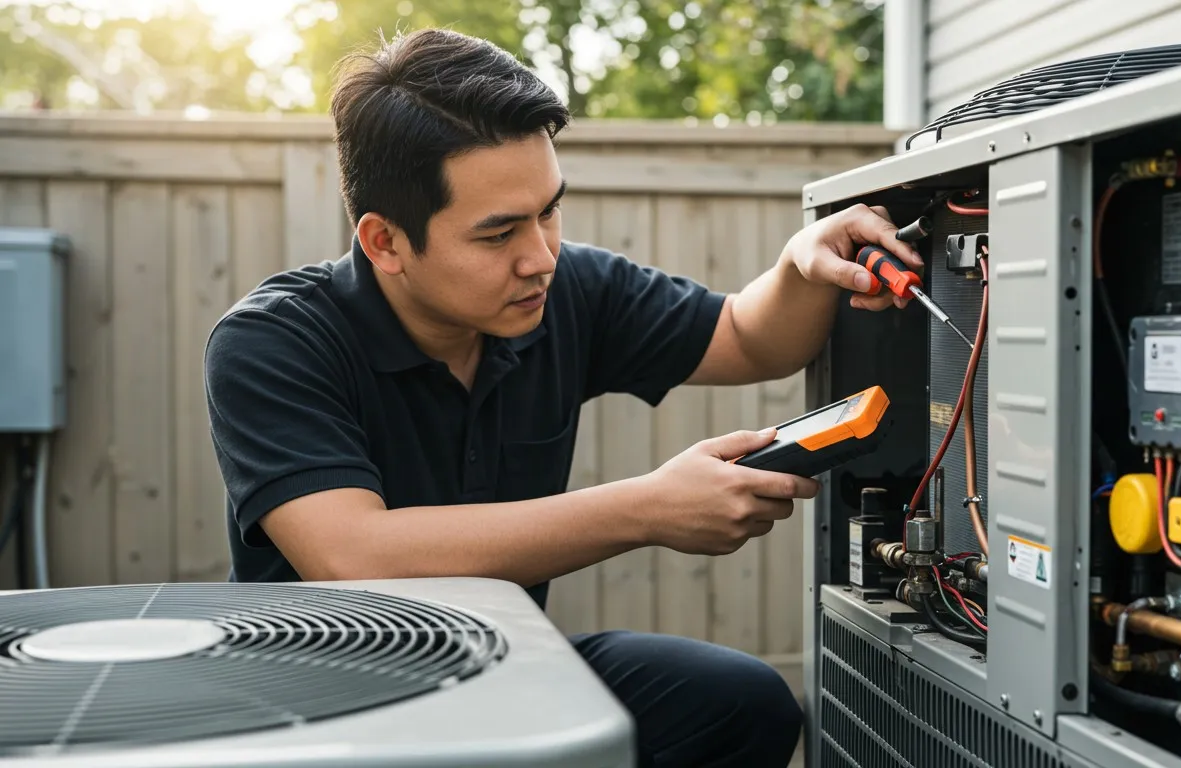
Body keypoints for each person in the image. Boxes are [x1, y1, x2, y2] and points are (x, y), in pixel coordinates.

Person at [203, 27, 922, 768]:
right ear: (385, 242)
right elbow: (355, 558)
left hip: (495, 667)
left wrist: (800, 270)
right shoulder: (271, 343)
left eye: (549, 211)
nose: (540, 256)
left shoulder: (563, 290)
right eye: (498, 234)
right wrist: (647, 507)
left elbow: (748, 335)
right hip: (319, 711)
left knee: (741, 703)